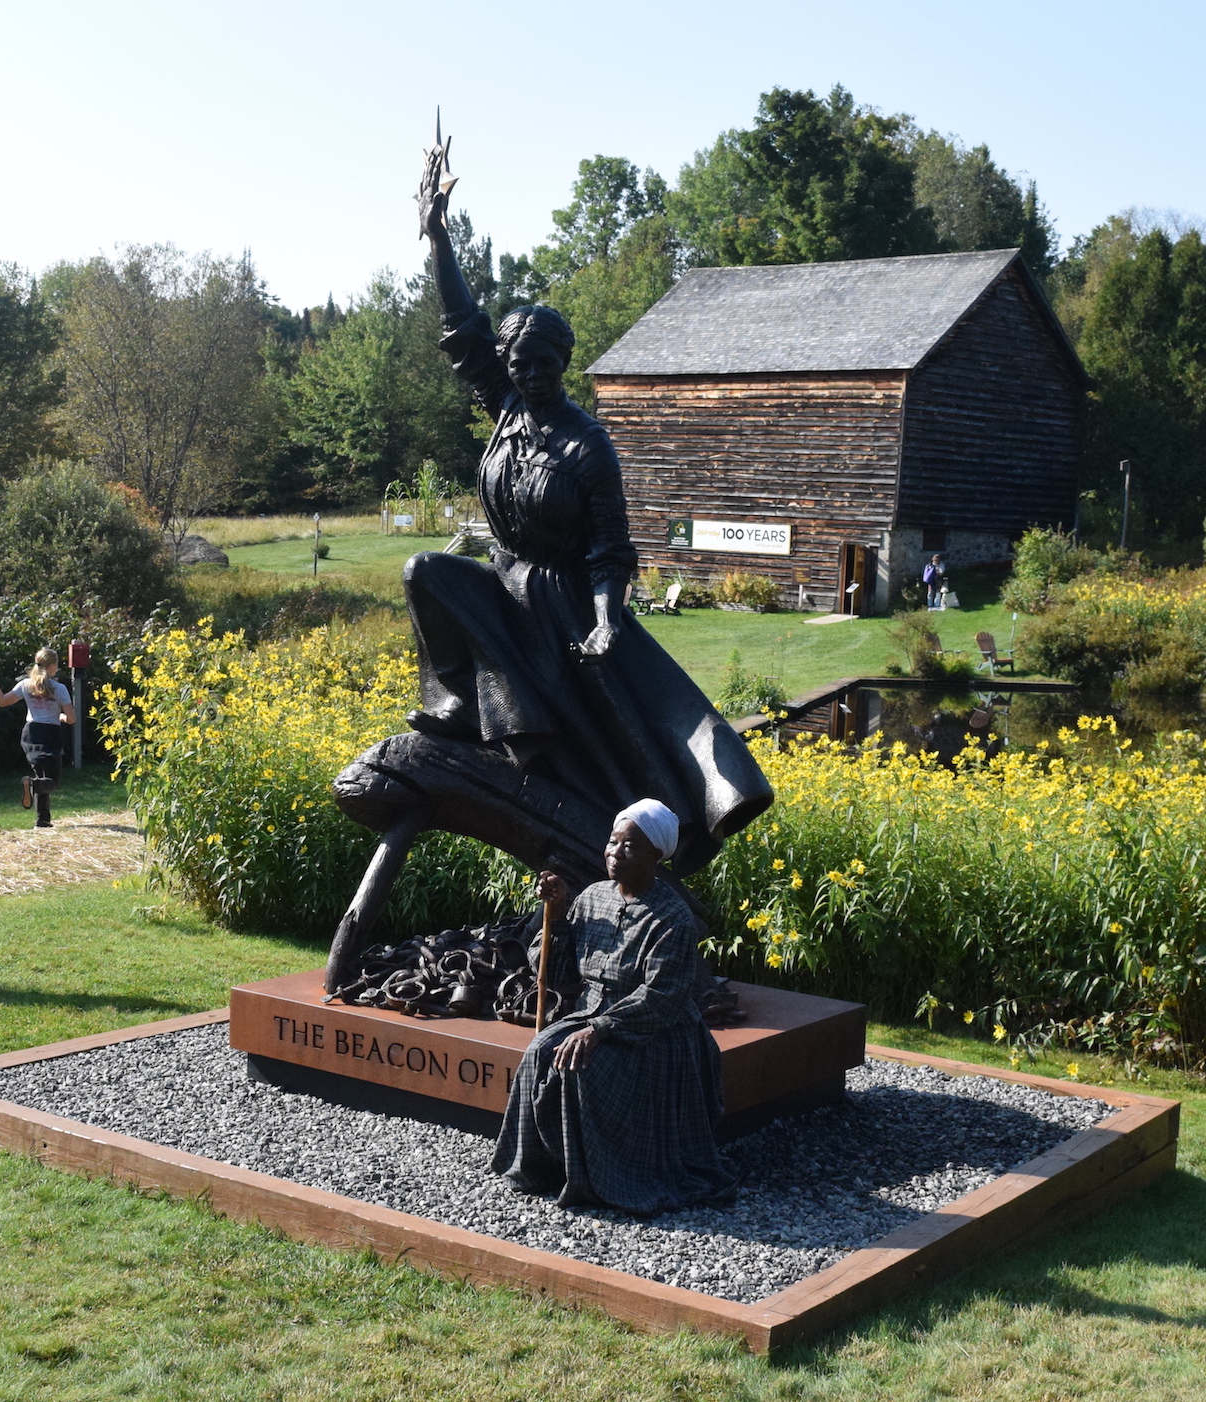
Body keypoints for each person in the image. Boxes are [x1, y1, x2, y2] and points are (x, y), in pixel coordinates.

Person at [406, 136, 770, 876]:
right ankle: (459, 702)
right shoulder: (507, 408)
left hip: (561, 601)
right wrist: (438, 236)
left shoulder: (587, 444)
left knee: (610, 744)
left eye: (544, 363)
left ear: (564, 364)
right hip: (505, 580)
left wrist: (606, 620)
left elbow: (610, 547)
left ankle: (636, 844)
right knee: (425, 572)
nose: (531, 374)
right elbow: (463, 326)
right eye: (520, 364)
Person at [492, 800, 737, 1214]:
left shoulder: (672, 918)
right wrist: (557, 913)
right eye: (612, 842)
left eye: (630, 846)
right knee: (538, 1052)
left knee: (586, 1066)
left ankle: (604, 1178)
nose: (615, 852)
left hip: (655, 1030)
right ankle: (539, 1167)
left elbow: (660, 997)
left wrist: (600, 1030)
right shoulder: (592, 897)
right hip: (590, 1013)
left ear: (656, 856)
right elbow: (557, 971)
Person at [0, 647, 73, 829]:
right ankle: (32, 785)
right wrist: (61, 717)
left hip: (31, 733)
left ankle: (42, 821)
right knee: (52, 781)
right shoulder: (60, 689)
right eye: (57, 664)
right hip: (51, 734)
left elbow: (2, 701)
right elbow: (71, 718)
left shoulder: (25, 685)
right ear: (52, 665)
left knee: (41, 776)